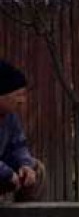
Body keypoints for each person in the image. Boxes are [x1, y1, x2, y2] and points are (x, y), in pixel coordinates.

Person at [0, 60, 42, 203]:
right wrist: (6, 173)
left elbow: (18, 144)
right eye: (18, 95)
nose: (22, 101)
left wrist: (25, 165)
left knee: (36, 168)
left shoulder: (10, 116)